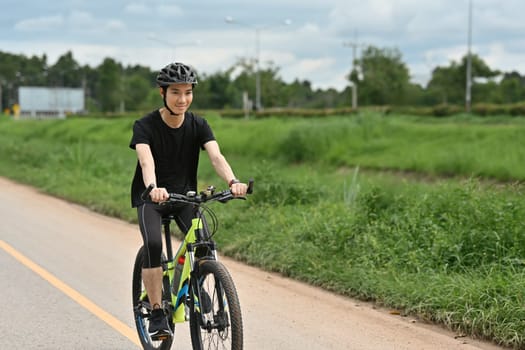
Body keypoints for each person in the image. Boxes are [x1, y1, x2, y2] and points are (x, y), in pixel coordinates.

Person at [129, 62, 248, 339]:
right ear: (162, 93)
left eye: (187, 92)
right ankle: (157, 312)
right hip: (152, 197)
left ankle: (197, 285)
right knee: (154, 244)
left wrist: (233, 182)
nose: (182, 99)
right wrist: (153, 187)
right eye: (175, 93)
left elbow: (216, 157)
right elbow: (146, 161)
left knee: (204, 243)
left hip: (184, 196)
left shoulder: (199, 124)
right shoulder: (145, 125)